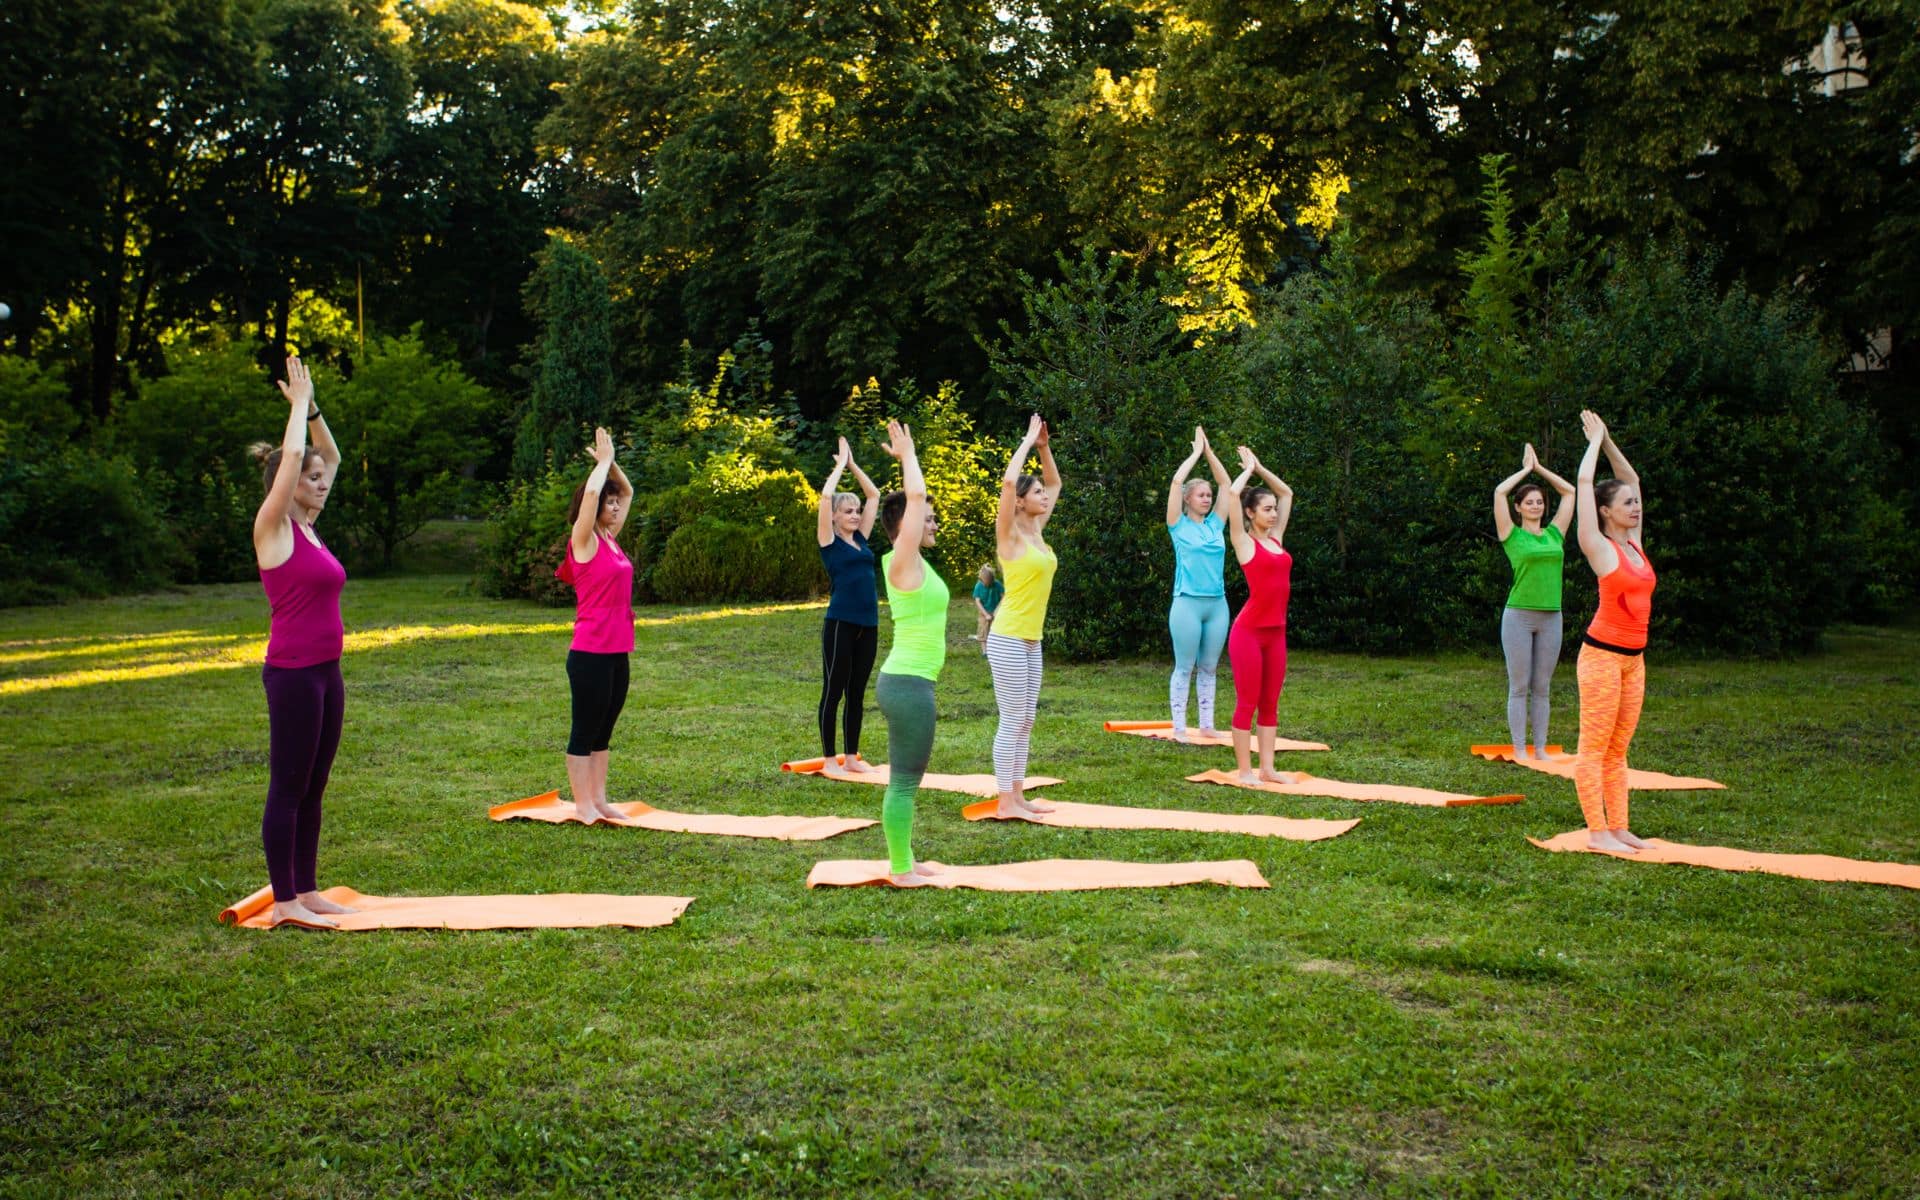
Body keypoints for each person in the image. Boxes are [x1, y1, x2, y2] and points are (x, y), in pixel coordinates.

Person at [251, 356, 352, 927]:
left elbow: (327, 454)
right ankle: (283, 899)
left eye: (320, 479)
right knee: (288, 784)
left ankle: (307, 889)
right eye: (311, 479)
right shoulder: (274, 528)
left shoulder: (310, 528)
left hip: (326, 672)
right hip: (291, 674)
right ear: (289, 487)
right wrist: (294, 409)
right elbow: (294, 457)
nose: (322, 481)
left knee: (315, 783)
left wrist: (312, 409)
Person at [1572, 410, 1655, 853]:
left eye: (1635, 503)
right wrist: (1591, 445)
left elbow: (1632, 477)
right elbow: (1586, 485)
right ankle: (1597, 833)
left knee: (1619, 748)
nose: (1635, 507)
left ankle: (1619, 827)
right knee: (1594, 746)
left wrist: (1607, 440)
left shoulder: (1635, 545)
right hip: (1601, 657)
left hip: (1633, 660)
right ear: (1606, 512)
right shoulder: (1599, 547)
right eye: (1626, 504)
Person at [873, 420, 947, 886]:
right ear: (905, 527)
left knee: (909, 778)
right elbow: (915, 499)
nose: (933, 522)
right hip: (906, 686)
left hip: (911, 683)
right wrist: (908, 457)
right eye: (927, 518)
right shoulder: (901, 559)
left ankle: (907, 857)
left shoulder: (914, 563)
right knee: (903, 779)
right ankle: (900, 868)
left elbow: (918, 504)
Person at [556, 427, 635, 825]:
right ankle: (582, 804)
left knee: (604, 728)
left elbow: (630, 491)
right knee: (584, 728)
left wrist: (612, 462)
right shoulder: (583, 540)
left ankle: (600, 800)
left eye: (616, 503)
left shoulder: (611, 538)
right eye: (610, 502)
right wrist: (601, 468)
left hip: (617, 650)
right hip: (589, 652)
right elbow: (590, 497)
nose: (617, 506)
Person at [986, 413, 1061, 818]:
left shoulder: (1037, 531)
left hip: (1032, 638)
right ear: (1020, 501)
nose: (1044, 498)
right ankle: (1004, 801)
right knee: (1012, 717)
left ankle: (1017, 795)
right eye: (1036, 494)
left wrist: (1045, 449)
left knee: (1027, 718)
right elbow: (1007, 483)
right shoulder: (1011, 535)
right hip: (1009, 636)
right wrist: (1027, 441)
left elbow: (1056, 483)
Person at [1220, 446, 1297, 786]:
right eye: (1267, 510)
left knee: (1270, 702)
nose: (1274, 513)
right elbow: (1234, 492)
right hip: (1248, 633)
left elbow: (1287, 492)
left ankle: (1268, 768)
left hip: (1276, 633)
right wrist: (1247, 471)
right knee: (1247, 700)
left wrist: (1261, 467)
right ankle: (1246, 771)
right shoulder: (1244, 542)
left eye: (1275, 510)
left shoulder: (1277, 540)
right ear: (1250, 513)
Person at [1492, 443, 1576, 759]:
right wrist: (1525, 471)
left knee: (1542, 687)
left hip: (1551, 616)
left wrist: (1540, 469)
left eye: (1540, 502)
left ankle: (1540, 749)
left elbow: (1569, 493)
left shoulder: (1555, 534)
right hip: (1518, 616)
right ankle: (1519, 749)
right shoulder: (1512, 536)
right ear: (1519, 507)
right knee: (1519, 686)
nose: (1536, 506)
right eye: (1529, 502)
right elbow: (1499, 493)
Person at [815, 436, 881, 771]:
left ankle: (851, 756)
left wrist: (854, 464)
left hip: (868, 623)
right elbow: (826, 496)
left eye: (857, 511)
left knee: (857, 692)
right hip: (841, 622)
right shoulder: (829, 542)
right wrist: (839, 467)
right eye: (848, 511)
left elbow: (874, 495)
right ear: (835, 517)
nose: (855, 515)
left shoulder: (862, 540)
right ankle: (830, 759)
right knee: (834, 690)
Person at [1165, 425, 1232, 741]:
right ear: (1187, 499)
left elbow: (1225, 484)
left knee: (1209, 667)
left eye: (1208, 495)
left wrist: (1209, 452)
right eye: (1201, 495)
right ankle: (1179, 727)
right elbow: (1177, 481)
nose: (1207, 498)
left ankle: (1207, 725)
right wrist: (1194, 455)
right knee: (1185, 666)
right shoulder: (1177, 525)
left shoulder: (1216, 524)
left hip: (1216, 604)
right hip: (1187, 603)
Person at [970, 564, 1002, 648]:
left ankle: (995, 648)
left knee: (995, 631)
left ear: (993, 579)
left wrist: (997, 610)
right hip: (983, 612)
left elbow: (1004, 597)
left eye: (989, 583)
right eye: (985, 583)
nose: (987, 585)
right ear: (981, 579)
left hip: (996, 612)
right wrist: (986, 614)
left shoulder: (997, 584)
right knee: (983, 631)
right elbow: (978, 601)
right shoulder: (979, 586)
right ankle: (984, 652)